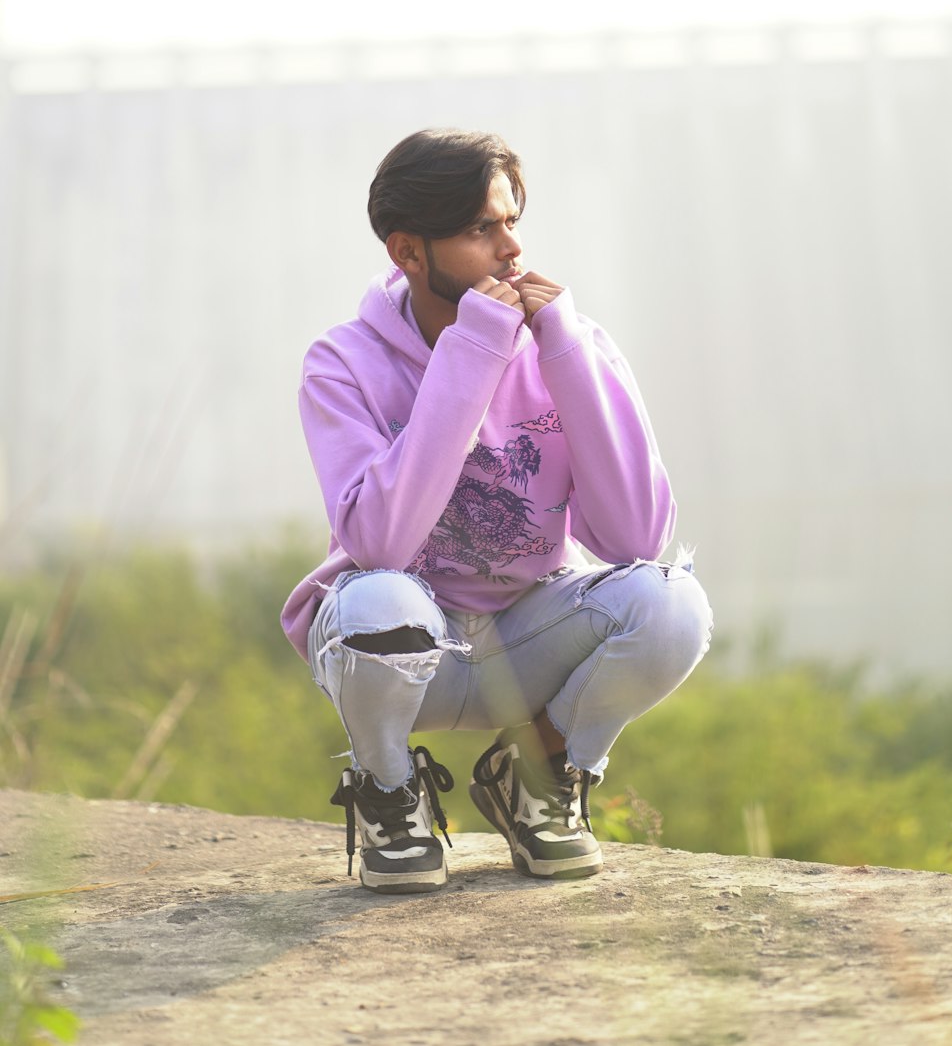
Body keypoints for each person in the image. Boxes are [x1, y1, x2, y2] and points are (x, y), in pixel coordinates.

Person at [281, 128, 712, 893]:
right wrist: (472, 352)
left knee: (671, 604)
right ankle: (388, 793)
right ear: (409, 253)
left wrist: (567, 354)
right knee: (377, 598)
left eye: (512, 222)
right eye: (482, 229)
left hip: (525, 637)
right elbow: (379, 541)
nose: (511, 250)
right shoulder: (342, 363)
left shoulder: (571, 344)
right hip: (405, 646)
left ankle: (540, 777)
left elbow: (634, 537)